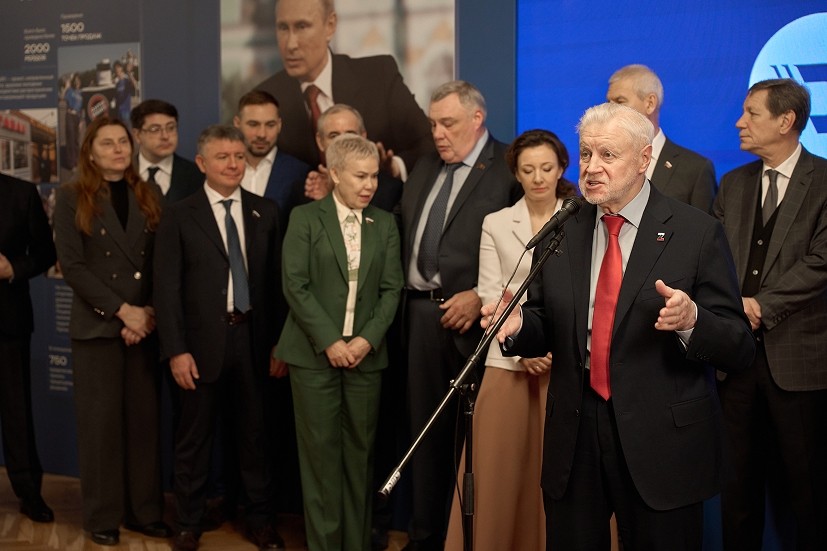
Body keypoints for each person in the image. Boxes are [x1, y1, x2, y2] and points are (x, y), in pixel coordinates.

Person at [485, 102, 755, 550]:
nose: (592, 167)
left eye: (607, 155)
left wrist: (693, 321)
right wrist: (517, 326)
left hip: (661, 440)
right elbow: (547, 323)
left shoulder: (696, 232)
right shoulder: (562, 229)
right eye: (586, 154)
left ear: (644, 159)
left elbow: (740, 346)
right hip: (576, 435)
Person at [399, 80, 521, 551]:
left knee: (472, 440)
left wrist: (479, 294)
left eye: (447, 123)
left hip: (477, 319)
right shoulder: (424, 165)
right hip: (418, 315)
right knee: (422, 435)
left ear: (477, 119)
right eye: (433, 124)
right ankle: (425, 536)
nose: (438, 133)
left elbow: (525, 246)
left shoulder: (507, 166)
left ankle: (467, 541)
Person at [444, 129, 576, 551]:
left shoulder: (581, 218)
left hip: (566, 361)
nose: (538, 177)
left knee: (565, 473)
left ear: (562, 169)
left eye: (547, 168)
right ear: (516, 173)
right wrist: (522, 351)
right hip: (508, 360)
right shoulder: (497, 223)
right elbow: (489, 294)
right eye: (528, 169)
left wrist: (550, 347)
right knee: (498, 471)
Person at [153, 125, 284, 551]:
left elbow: (278, 286)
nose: (233, 164)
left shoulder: (267, 212)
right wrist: (176, 350)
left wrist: (280, 343)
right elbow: (166, 289)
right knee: (193, 440)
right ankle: (188, 523)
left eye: (239, 157)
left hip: (253, 341)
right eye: (223, 157)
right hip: (199, 347)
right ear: (202, 163)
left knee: (256, 437)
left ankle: (261, 521)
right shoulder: (179, 214)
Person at [713, 78, 827, 551]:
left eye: (751, 113)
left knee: (809, 494)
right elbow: (713, 258)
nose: (739, 122)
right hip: (735, 365)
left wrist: (761, 305)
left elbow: (822, 261)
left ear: (786, 121)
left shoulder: (824, 181)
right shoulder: (733, 183)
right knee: (737, 493)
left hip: (800, 364)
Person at [276, 134, 403, 550]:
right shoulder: (304, 218)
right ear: (334, 174)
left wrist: (366, 340)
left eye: (374, 177)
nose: (370, 185)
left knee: (360, 458)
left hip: (366, 358)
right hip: (314, 356)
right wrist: (331, 341)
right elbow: (295, 286)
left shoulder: (384, 223)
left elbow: (392, 289)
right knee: (320, 459)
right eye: (360, 176)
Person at [53, 117, 170, 546]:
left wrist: (146, 312)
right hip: (98, 326)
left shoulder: (149, 193)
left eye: (123, 141)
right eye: (108, 143)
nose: (119, 149)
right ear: (90, 152)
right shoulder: (71, 197)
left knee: (143, 423)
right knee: (100, 426)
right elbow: (73, 266)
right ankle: (102, 515)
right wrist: (124, 312)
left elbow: (162, 259)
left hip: (144, 325)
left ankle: (145, 511)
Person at [255, 0, 433, 176]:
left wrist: (394, 167)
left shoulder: (379, 77)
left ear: (330, 26)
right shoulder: (265, 100)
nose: (291, 44)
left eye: (302, 27)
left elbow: (429, 143)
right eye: (283, 28)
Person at [0, 173, 57, 524]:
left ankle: (29, 491)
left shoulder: (21, 193)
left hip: (8, 322)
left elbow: (46, 253)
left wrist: (13, 267)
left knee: (16, 411)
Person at [607, 64, 716, 212]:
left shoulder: (695, 170)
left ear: (650, 103)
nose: (610, 109)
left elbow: (703, 225)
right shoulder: (602, 163)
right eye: (609, 102)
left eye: (620, 101)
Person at [305, 104, 403, 212]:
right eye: (334, 136)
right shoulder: (309, 188)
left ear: (363, 137)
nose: (342, 142)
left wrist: (333, 198)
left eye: (350, 135)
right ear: (320, 141)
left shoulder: (391, 191)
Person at [234, 89, 310, 222]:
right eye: (253, 124)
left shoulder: (299, 173)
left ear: (279, 125)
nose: (262, 134)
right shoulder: (221, 170)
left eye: (270, 125)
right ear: (237, 123)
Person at [130, 99, 204, 204]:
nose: (165, 136)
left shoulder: (197, 174)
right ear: (137, 135)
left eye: (171, 128)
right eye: (155, 129)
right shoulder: (124, 173)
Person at [63, 73, 84, 170]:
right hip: (70, 115)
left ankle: (77, 161)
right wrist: (66, 87)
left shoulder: (81, 93)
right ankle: (71, 164)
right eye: (75, 80)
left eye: (78, 80)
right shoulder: (70, 90)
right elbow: (62, 97)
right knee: (70, 139)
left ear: (80, 82)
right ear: (73, 82)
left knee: (76, 140)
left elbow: (82, 108)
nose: (77, 82)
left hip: (77, 117)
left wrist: (81, 121)